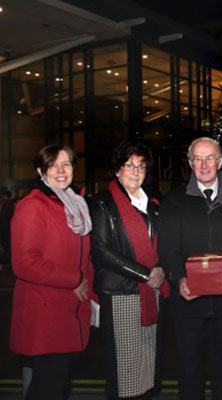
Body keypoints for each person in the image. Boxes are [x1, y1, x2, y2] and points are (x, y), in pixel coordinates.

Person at [159, 137, 222, 400]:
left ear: (221, 161)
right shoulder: (174, 201)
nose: (204, 164)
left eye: (210, 157)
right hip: (187, 302)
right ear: (190, 163)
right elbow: (167, 249)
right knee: (189, 373)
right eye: (197, 158)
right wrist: (178, 280)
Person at [10, 144, 94, 400]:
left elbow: (84, 256)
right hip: (45, 315)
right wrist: (76, 279)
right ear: (41, 170)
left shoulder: (75, 205)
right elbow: (24, 263)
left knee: (59, 386)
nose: (60, 170)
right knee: (48, 388)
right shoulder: (33, 206)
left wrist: (91, 290)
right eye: (52, 165)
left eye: (66, 164)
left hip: (69, 311)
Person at [88, 141, 169, 400]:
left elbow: (167, 244)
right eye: (129, 165)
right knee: (124, 367)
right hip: (121, 293)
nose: (135, 172)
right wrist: (147, 274)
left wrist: (162, 269)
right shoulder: (102, 203)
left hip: (152, 293)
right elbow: (100, 251)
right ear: (117, 170)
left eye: (141, 166)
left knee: (148, 362)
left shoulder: (155, 205)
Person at [0, 189, 13, 269]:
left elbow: (5, 218)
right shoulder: (8, 204)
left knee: (6, 246)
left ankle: (5, 261)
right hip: (7, 229)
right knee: (7, 246)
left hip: (6, 229)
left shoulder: (7, 204)